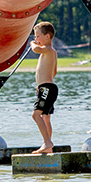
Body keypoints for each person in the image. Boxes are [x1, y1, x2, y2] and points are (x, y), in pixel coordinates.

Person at [29, 21, 59, 155]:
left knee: (36, 115)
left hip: (47, 88)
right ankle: (48, 146)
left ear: (47, 36)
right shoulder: (52, 52)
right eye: (35, 37)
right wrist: (42, 84)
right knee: (45, 117)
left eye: (37, 36)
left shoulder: (46, 49)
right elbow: (54, 72)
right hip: (48, 87)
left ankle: (47, 142)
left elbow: (35, 49)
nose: (36, 39)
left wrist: (31, 43)